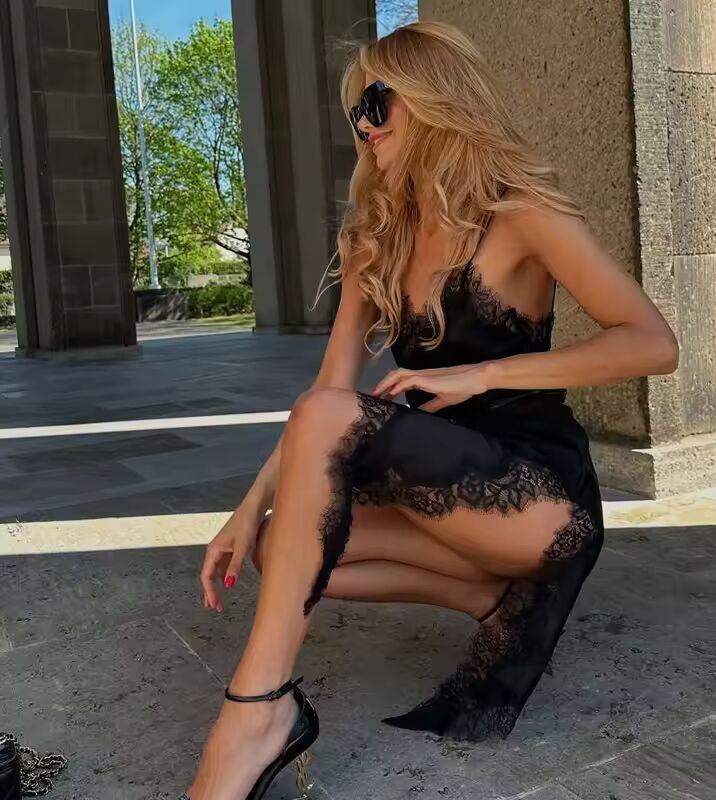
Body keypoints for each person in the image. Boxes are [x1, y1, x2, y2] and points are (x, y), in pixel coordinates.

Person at [179, 20, 679, 800]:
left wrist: (486, 373)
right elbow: (323, 395)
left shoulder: (521, 213)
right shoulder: (374, 239)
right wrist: (246, 511)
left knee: (330, 427)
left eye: (378, 103)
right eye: (357, 113)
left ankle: (256, 714)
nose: (366, 126)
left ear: (436, 97)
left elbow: (652, 343)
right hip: (448, 492)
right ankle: (491, 600)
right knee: (280, 547)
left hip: (540, 498)